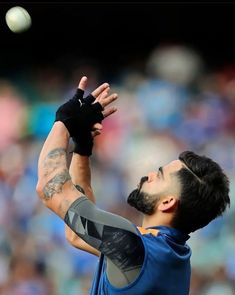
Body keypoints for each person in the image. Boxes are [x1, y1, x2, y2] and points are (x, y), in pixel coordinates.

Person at [36, 76, 230, 295]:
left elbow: (49, 187)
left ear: (168, 202)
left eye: (159, 175)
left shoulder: (134, 248)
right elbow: (76, 233)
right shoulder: (171, 255)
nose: (149, 176)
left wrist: (63, 121)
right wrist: (82, 146)